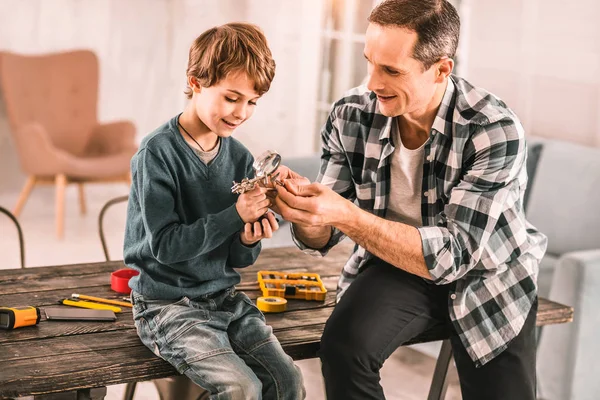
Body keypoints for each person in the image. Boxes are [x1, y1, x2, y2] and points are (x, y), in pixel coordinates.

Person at [272, 1, 547, 399]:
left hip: (487, 275)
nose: (372, 83)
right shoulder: (351, 115)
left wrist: (348, 216)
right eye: (369, 63)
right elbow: (322, 237)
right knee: (344, 347)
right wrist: (306, 214)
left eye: (391, 71)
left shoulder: (493, 129)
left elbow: (457, 254)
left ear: (441, 69)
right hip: (397, 263)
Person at [124, 22, 305, 400]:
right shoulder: (156, 154)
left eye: (252, 102)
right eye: (231, 98)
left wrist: (246, 237)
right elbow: (165, 247)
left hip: (223, 299)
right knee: (240, 388)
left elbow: (236, 259)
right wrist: (233, 216)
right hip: (166, 305)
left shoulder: (239, 158)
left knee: (288, 380)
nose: (241, 113)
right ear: (195, 82)